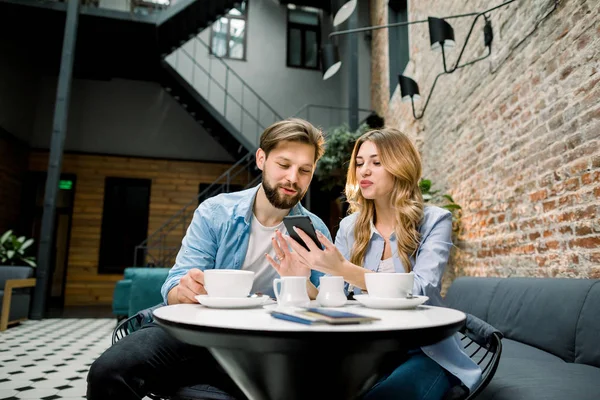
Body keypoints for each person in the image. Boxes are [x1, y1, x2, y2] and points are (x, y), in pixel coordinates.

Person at [86, 118, 331, 400]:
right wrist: (185, 291)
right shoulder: (216, 212)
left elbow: (327, 302)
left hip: (269, 345)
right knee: (109, 371)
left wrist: (299, 284)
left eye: (305, 170)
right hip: (199, 332)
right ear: (261, 159)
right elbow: (175, 284)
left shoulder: (313, 230)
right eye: (284, 165)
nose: (293, 179)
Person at [273, 127, 482, 400]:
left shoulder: (434, 221)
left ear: (400, 165)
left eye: (376, 162)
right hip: (371, 350)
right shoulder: (349, 227)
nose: (364, 171)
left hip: (426, 350)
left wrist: (343, 269)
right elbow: (333, 297)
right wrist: (300, 281)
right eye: (359, 163)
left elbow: (420, 289)